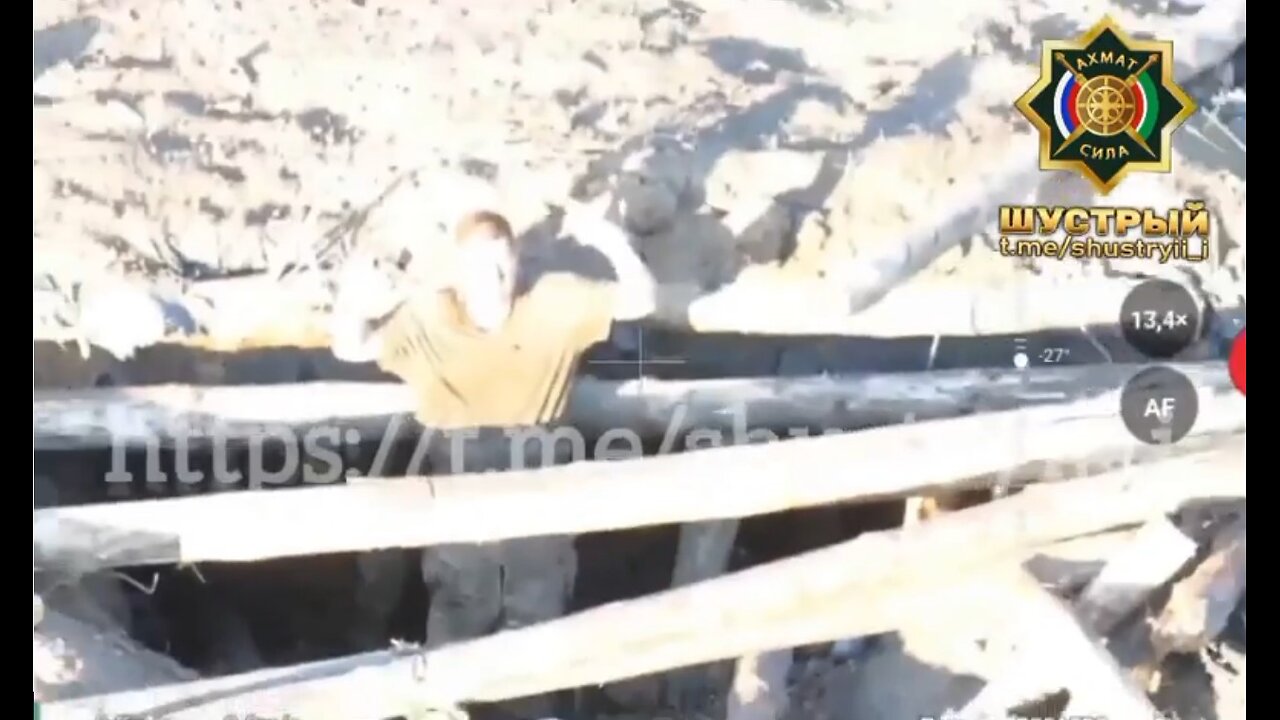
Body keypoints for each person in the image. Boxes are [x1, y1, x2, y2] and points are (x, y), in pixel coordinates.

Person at [328, 198, 657, 655]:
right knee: (462, 603)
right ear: (458, 274)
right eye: (480, 270)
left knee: (537, 610)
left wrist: (607, 239)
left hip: (539, 468)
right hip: (459, 470)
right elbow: (350, 346)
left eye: (502, 266)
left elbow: (642, 300)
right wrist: (356, 300)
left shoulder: (553, 301)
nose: (494, 281)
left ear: (518, 262)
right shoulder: (431, 317)